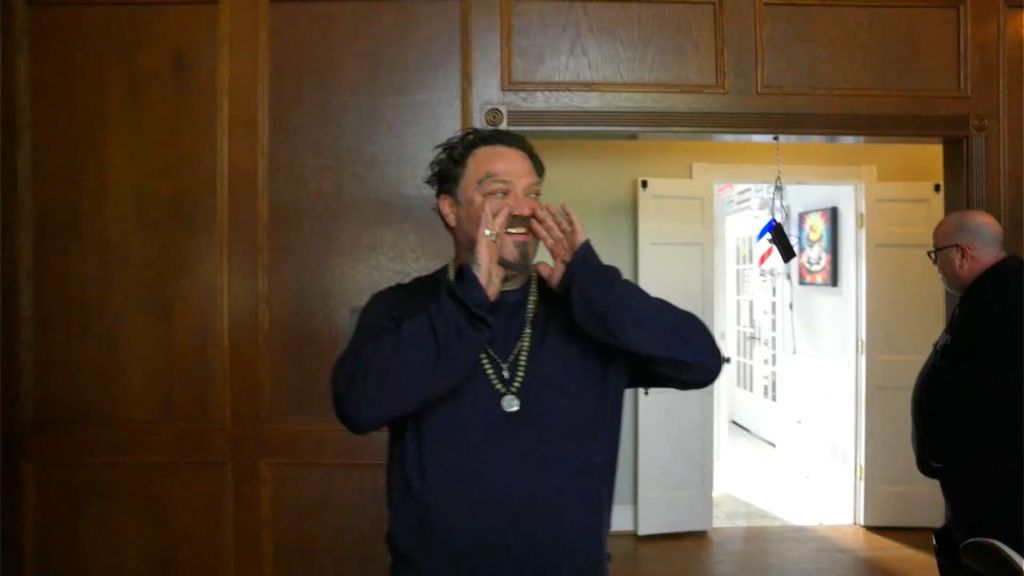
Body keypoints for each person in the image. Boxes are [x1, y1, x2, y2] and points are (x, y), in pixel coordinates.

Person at [331, 128, 722, 575]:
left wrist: (592, 283)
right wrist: (469, 301)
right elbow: (357, 406)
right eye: (500, 192)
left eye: (533, 193)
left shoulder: (588, 307)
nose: (523, 208)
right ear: (450, 209)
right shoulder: (402, 308)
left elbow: (699, 362)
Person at [911, 209, 1023, 575]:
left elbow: (998, 399)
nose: (936, 265)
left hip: (1000, 497)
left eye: (936, 253)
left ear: (961, 253)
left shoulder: (1007, 301)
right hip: (978, 491)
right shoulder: (986, 296)